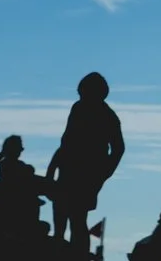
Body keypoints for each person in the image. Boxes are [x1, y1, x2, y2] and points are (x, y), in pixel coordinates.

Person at [47, 72, 125, 250]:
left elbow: (118, 149)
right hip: (67, 171)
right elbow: (66, 142)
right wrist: (52, 170)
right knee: (60, 216)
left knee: (77, 219)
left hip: (87, 175)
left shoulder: (108, 116)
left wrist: (103, 174)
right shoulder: (78, 108)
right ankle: (59, 258)